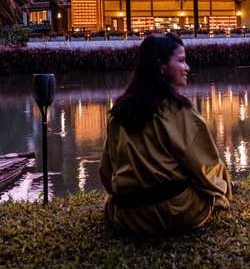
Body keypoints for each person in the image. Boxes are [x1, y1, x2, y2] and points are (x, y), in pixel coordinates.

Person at [99, 33, 233, 233]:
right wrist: (225, 189)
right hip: (175, 212)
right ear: (161, 66)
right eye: (181, 61)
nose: (187, 68)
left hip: (125, 215)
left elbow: (106, 172)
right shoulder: (180, 112)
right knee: (214, 189)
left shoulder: (117, 112)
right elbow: (207, 169)